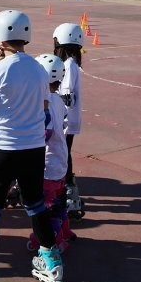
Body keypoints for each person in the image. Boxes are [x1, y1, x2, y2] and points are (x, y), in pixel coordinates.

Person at [0, 10, 66, 282]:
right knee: (36, 205)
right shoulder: (38, 69)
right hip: (33, 150)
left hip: (4, 149)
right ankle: (53, 262)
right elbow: (46, 116)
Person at [29, 54, 74, 252]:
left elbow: (45, 132)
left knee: (47, 206)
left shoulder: (43, 102)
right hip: (61, 159)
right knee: (60, 199)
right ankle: (65, 230)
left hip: (48, 164)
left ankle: (52, 239)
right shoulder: (58, 100)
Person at [52, 22, 86, 224]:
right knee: (64, 153)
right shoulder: (70, 63)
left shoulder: (69, 65)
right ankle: (67, 188)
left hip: (65, 119)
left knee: (63, 154)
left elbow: (67, 94)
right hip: (67, 119)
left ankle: (69, 192)